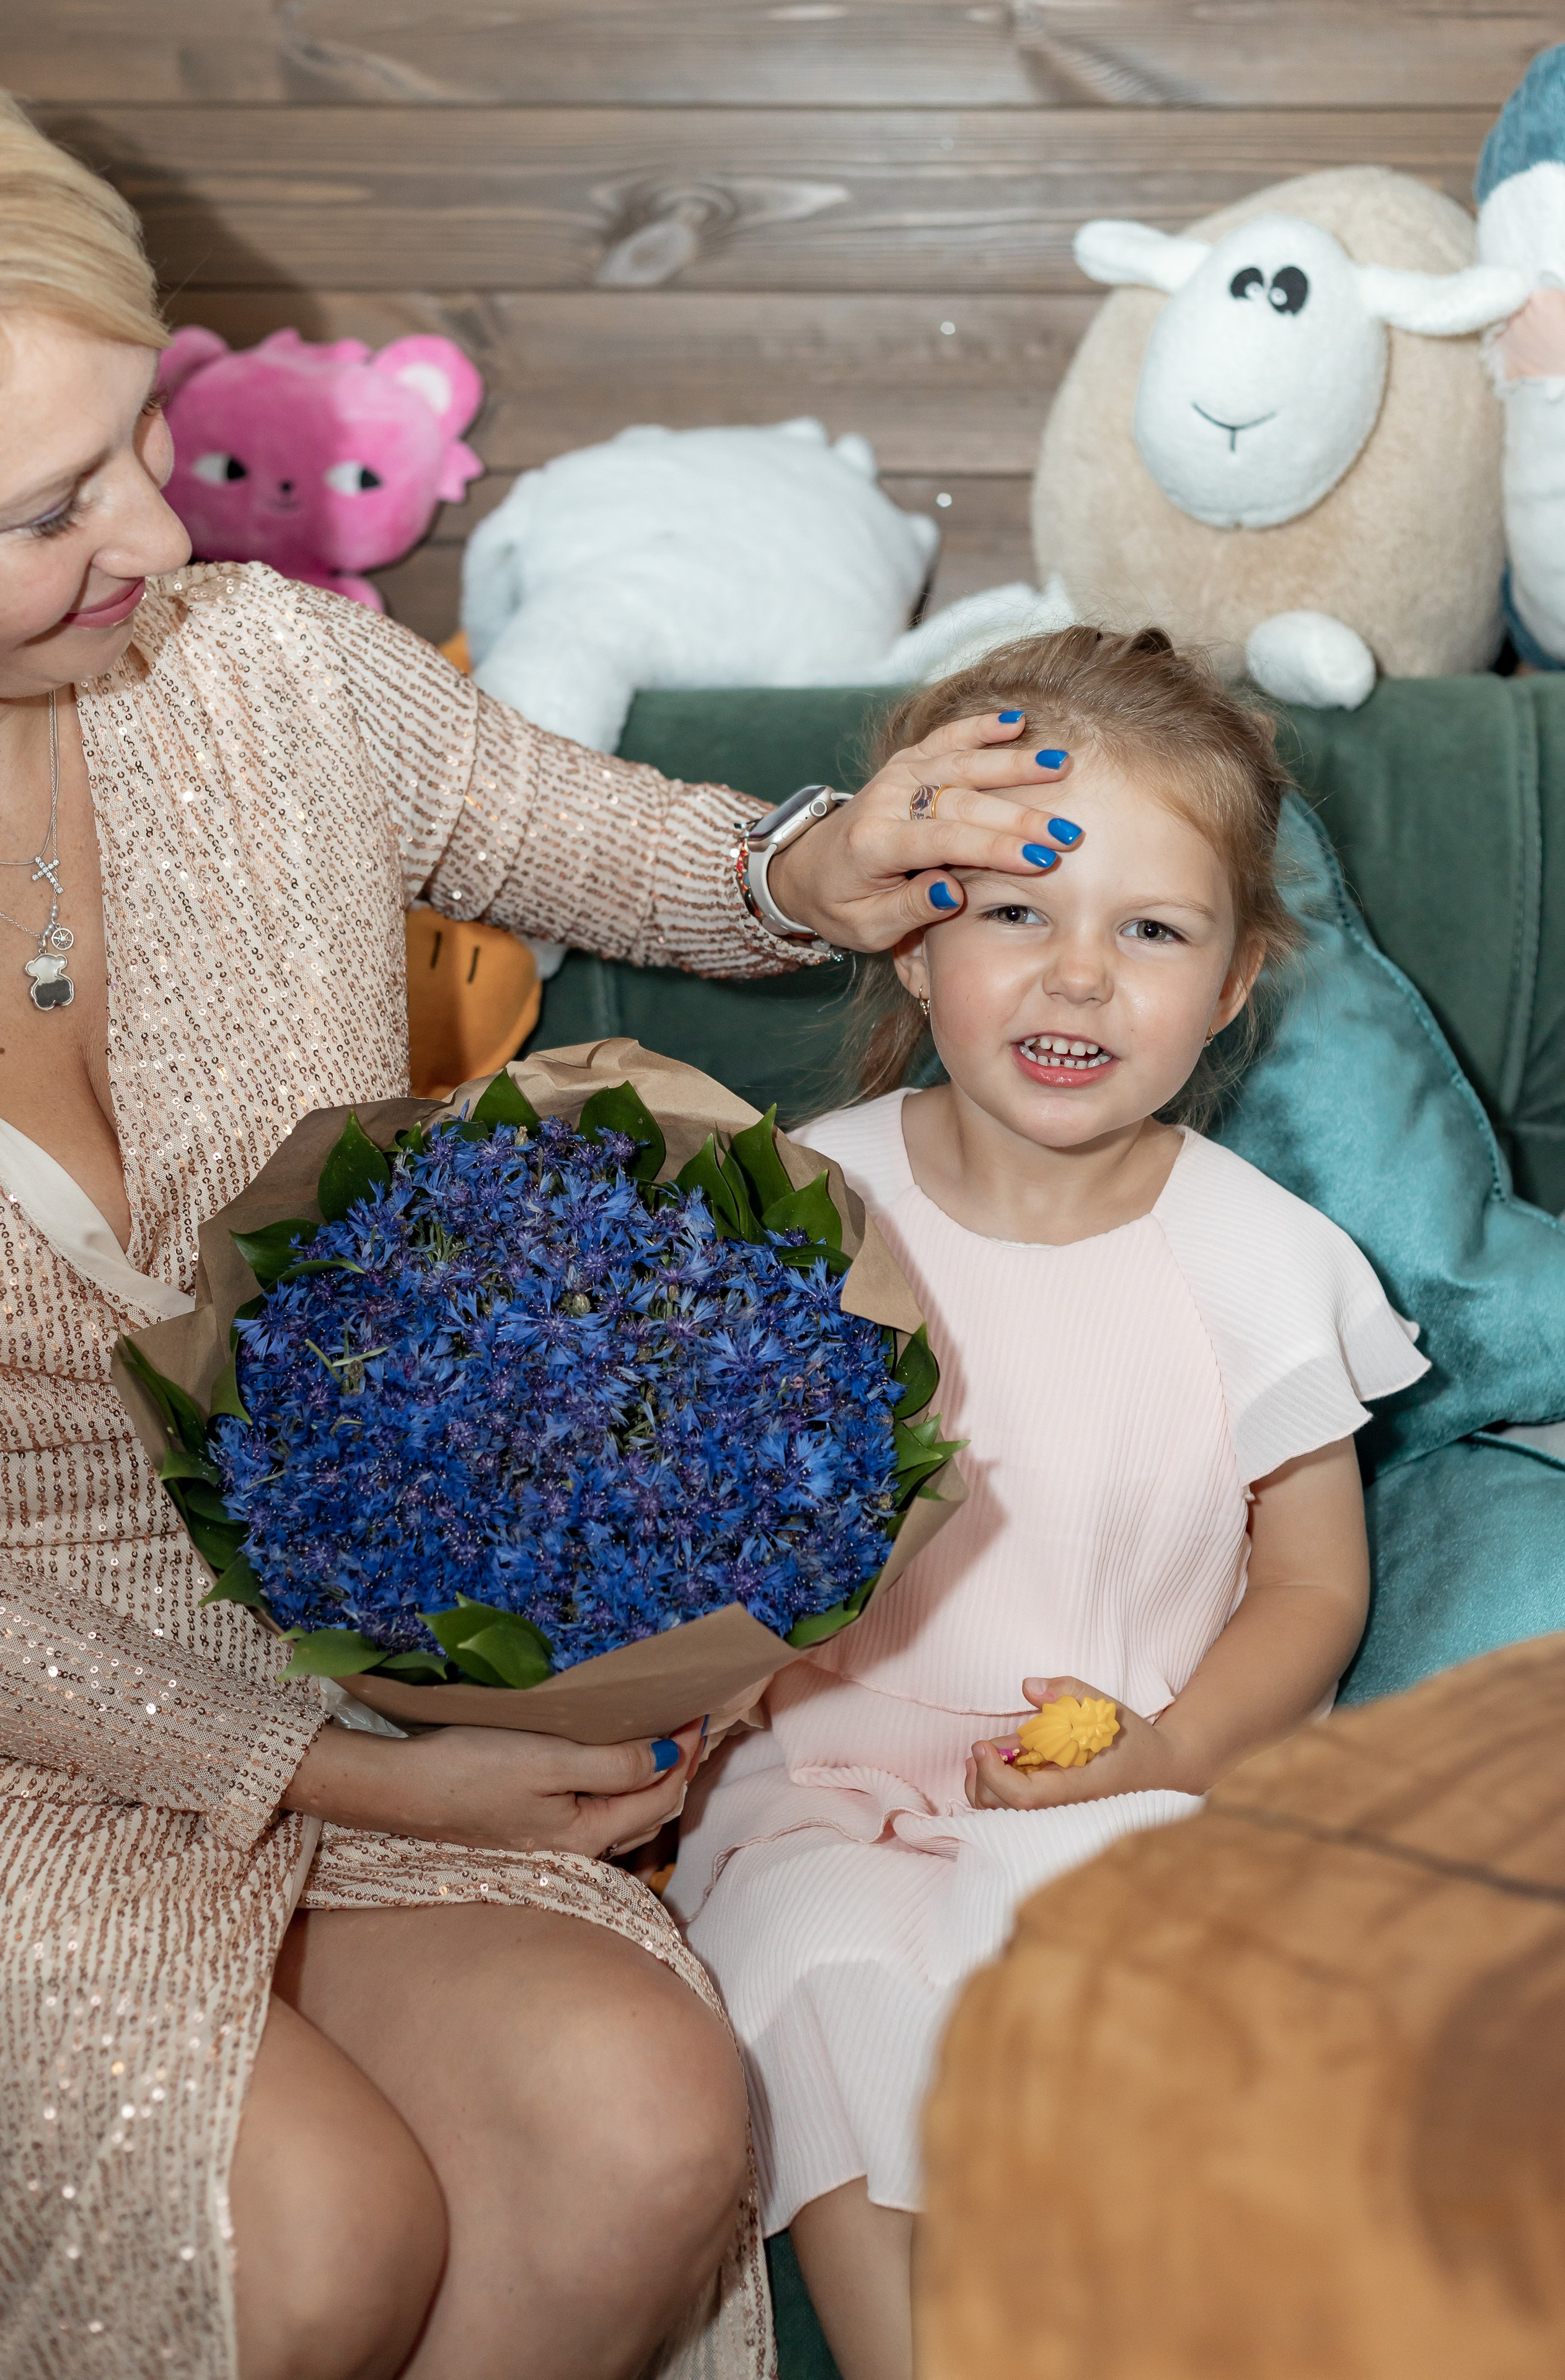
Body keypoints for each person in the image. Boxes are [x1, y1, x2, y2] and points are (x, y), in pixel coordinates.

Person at [0, 72, 1082, 2380]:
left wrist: (814, 864)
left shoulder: (260, 671)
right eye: (50, 508)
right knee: (313, 2247)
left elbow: (576, 830)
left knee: (647, 2122)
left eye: (142, 434)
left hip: (354, 1645)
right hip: (24, 1734)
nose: (159, 529)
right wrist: (344, 1769)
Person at [669, 626, 1432, 2380]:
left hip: (1135, 1782)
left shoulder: (1258, 1257)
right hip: (820, 1796)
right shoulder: (796, 1207)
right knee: (826, 1977)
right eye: (1018, 910)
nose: (1078, 978)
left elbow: (1311, 1585)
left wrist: (1172, 1750)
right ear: (913, 933)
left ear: (1233, 981)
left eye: (1151, 932)